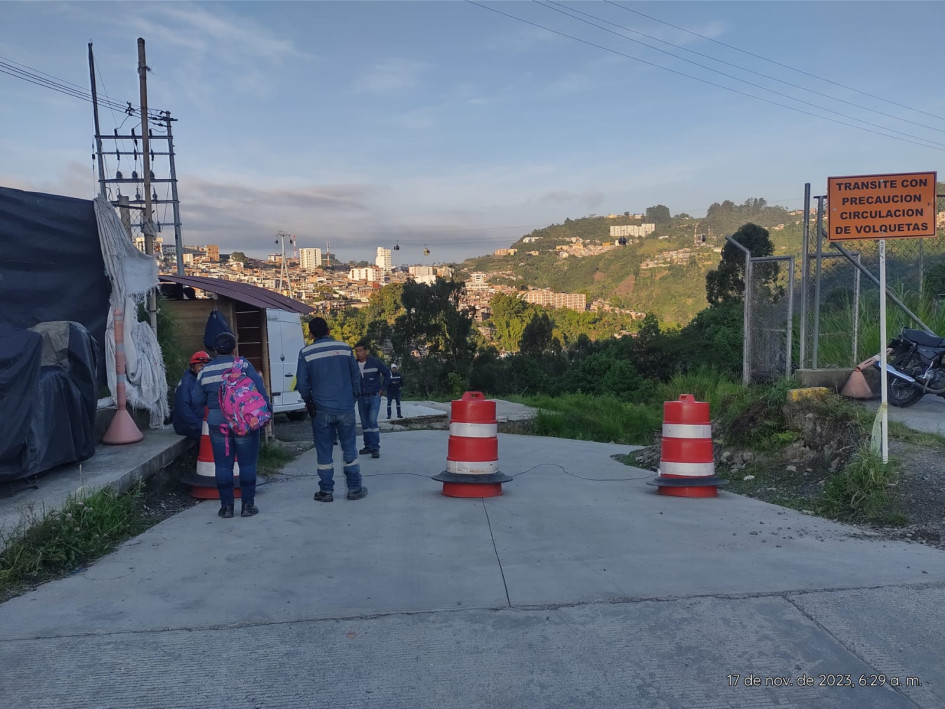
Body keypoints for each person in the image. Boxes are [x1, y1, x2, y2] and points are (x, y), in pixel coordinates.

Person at [192, 332, 270, 519]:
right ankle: (247, 505)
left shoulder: (205, 371)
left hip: (218, 424)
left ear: (214, 350)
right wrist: (266, 413)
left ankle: (226, 507)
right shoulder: (243, 366)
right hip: (245, 422)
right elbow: (259, 391)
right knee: (247, 463)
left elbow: (196, 399)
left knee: (223, 466)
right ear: (234, 348)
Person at [296, 318, 367, 502]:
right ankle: (354, 488)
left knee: (324, 451)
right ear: (328, 330)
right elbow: (355, 376)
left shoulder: (305, 353)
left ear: (311, 334)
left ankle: (326, 491)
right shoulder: (344, 348)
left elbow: (302, 384)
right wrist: (353, 397)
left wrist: (309, 402)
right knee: (349, 448)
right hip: (345, 407)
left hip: (320, 410)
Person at [353, 340, 390, 459]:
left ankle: (375, 448)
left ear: (366, 351)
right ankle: (368, 446)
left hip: (374, 396)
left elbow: (387, 374)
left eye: (361, 350)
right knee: (365, 423)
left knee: (372, 421)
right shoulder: (353, 364)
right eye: (357, 351)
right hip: (361, 398)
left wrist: (382, 388)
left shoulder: (374, 362)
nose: (359, 353)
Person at [172, 351, 210, 442]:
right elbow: (183, 409)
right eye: (200, 365)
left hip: (198, 423)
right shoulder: (186, 383)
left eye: (206, 365)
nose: (204, 368)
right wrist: (200, 425)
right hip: (187, 426)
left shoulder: (201, 379)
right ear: (192, 368)